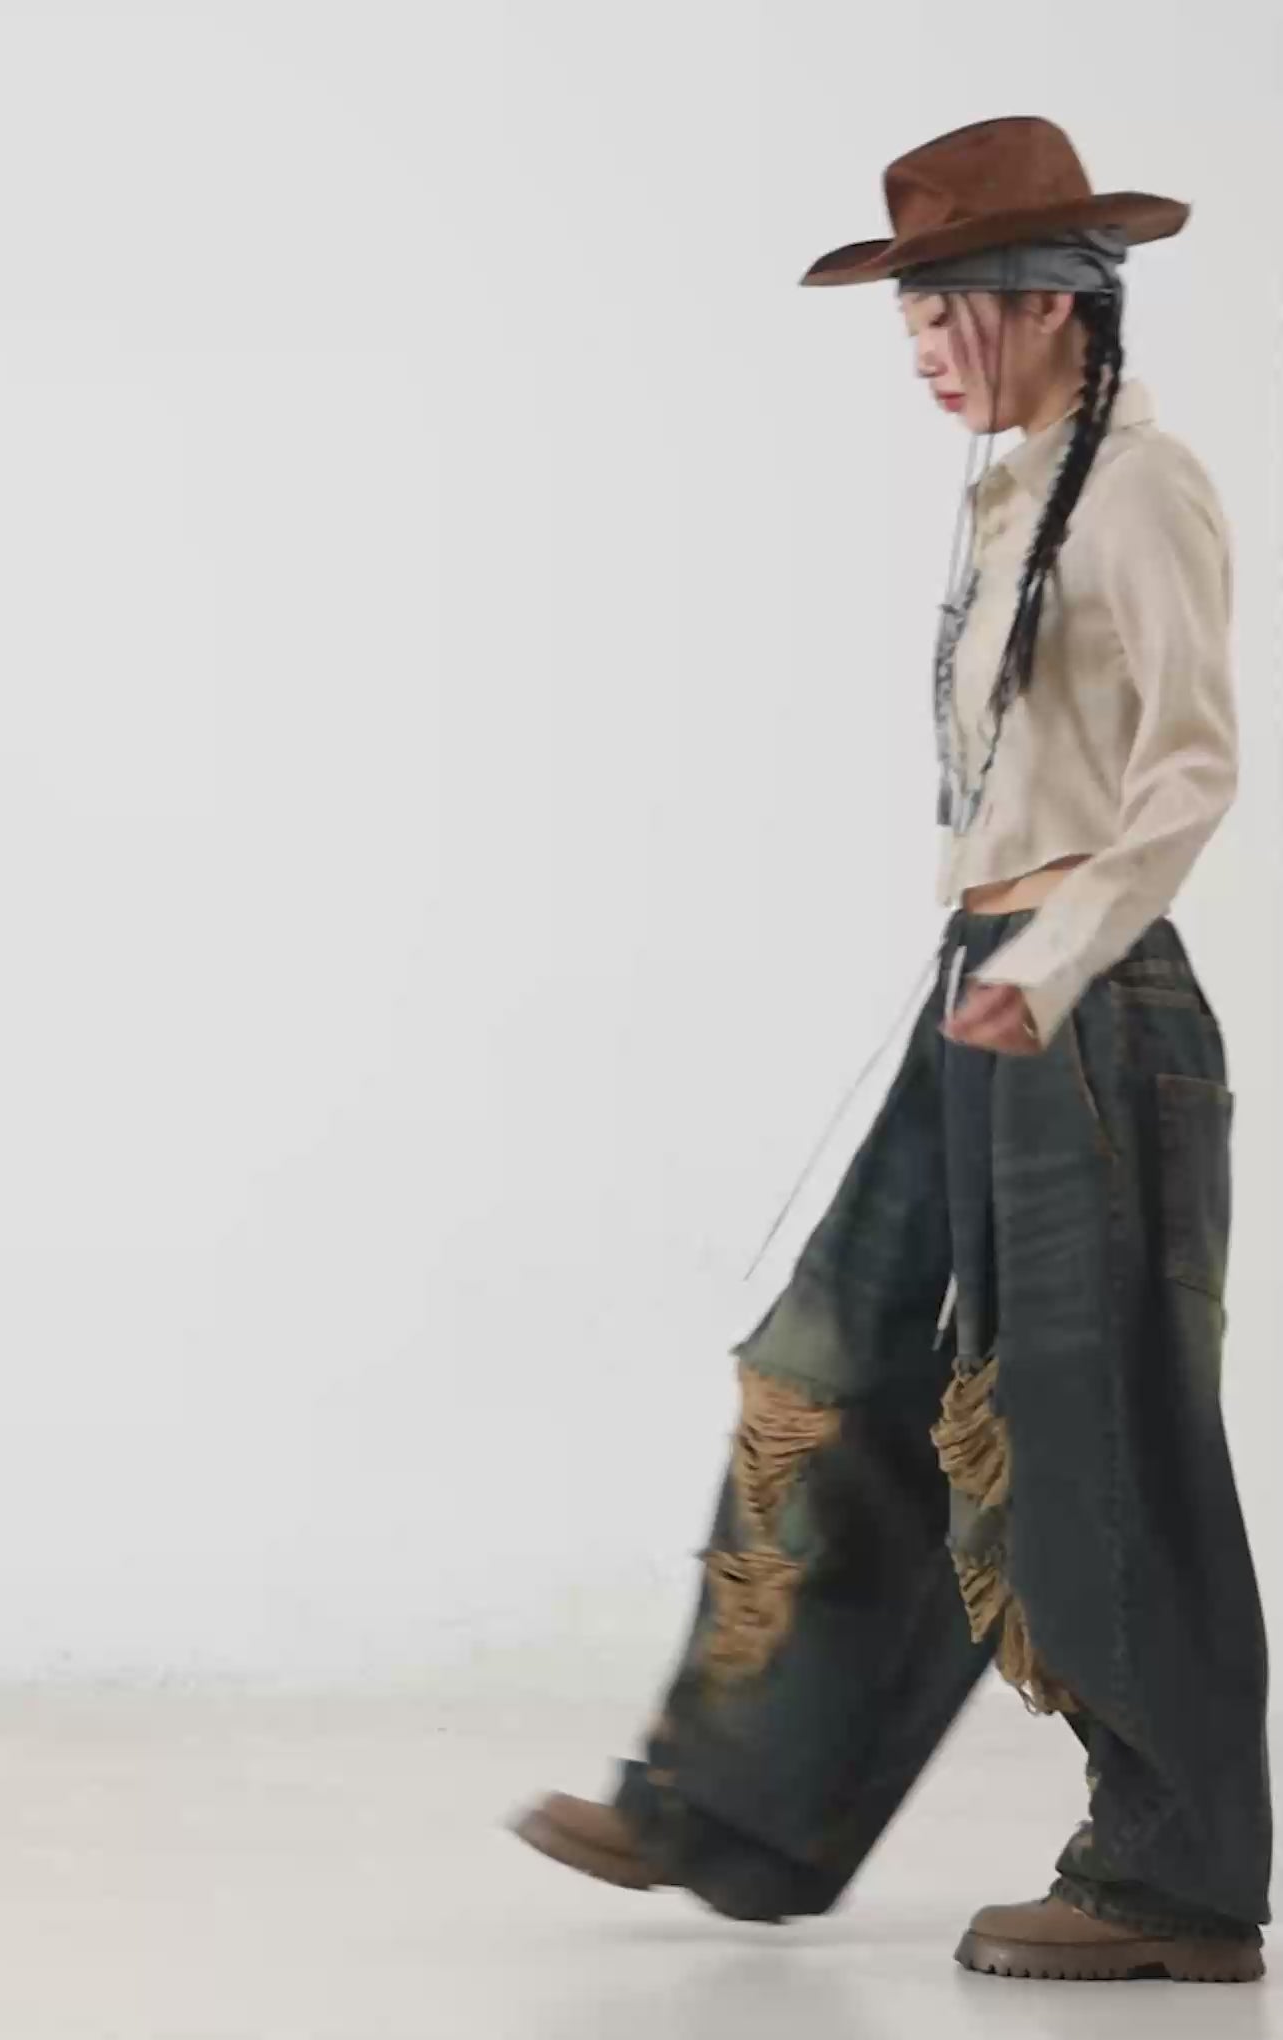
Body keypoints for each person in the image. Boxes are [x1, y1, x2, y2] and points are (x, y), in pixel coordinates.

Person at [508, 115, 1271, 1985]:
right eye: (911, 319)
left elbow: (1191, 770)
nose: (924, 350)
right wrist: (997, 956)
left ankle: (1176, 1879)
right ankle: (732, 1803)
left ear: (1051, 302)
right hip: (990, 979)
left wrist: (1056, 957)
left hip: (1089, 999)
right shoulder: (1013, 496)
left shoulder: (1140, 488)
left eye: (946, 312)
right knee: (829, 1365)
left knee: (1091, 1434)